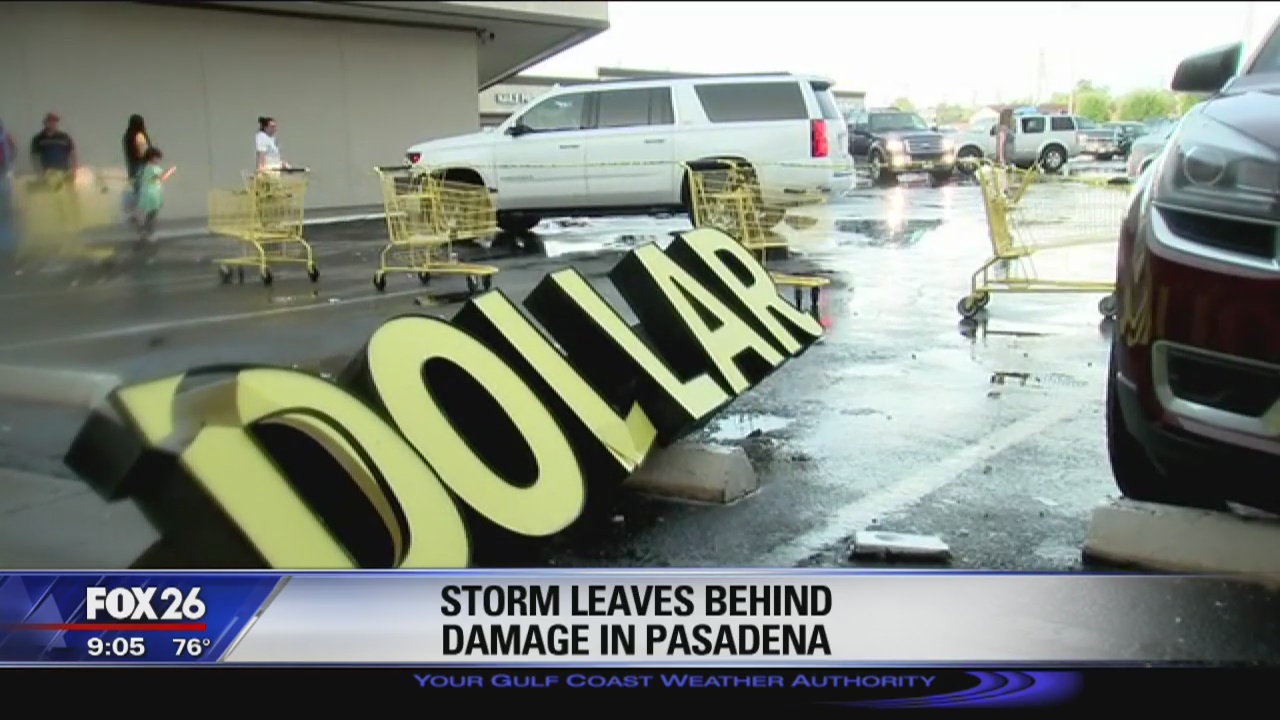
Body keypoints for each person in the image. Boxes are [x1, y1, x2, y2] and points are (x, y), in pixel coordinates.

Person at [134, 147, 176, 243]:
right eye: (158, 158)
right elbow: (162, 178)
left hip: (147, 193)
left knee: (148, 214)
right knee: (152, 215)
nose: (159, 160)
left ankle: (143, 232)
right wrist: (171, 171)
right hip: (152, 194)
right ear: (152, 157)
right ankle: (149, 234)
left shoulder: (145, 168)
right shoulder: (153, 168)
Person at [122, 114, 152, 221]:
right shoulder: (140, 135)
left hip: (132, 166)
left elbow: (129, 153)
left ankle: (136, 214)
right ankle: (143, 213)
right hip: (141, 165)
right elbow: (145, 151)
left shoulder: (127, 136)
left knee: (137, 190)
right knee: (143, 190)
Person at [30, 112, 77, 177]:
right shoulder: (38, 138)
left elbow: (73, 154)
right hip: (46, 173)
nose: (52, 124)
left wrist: (74, 169)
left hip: (63, 172)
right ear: (45, 123)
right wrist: (38, 172)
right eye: (50, 121)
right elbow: (35, 157)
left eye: (54, 122)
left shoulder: (65, 137)